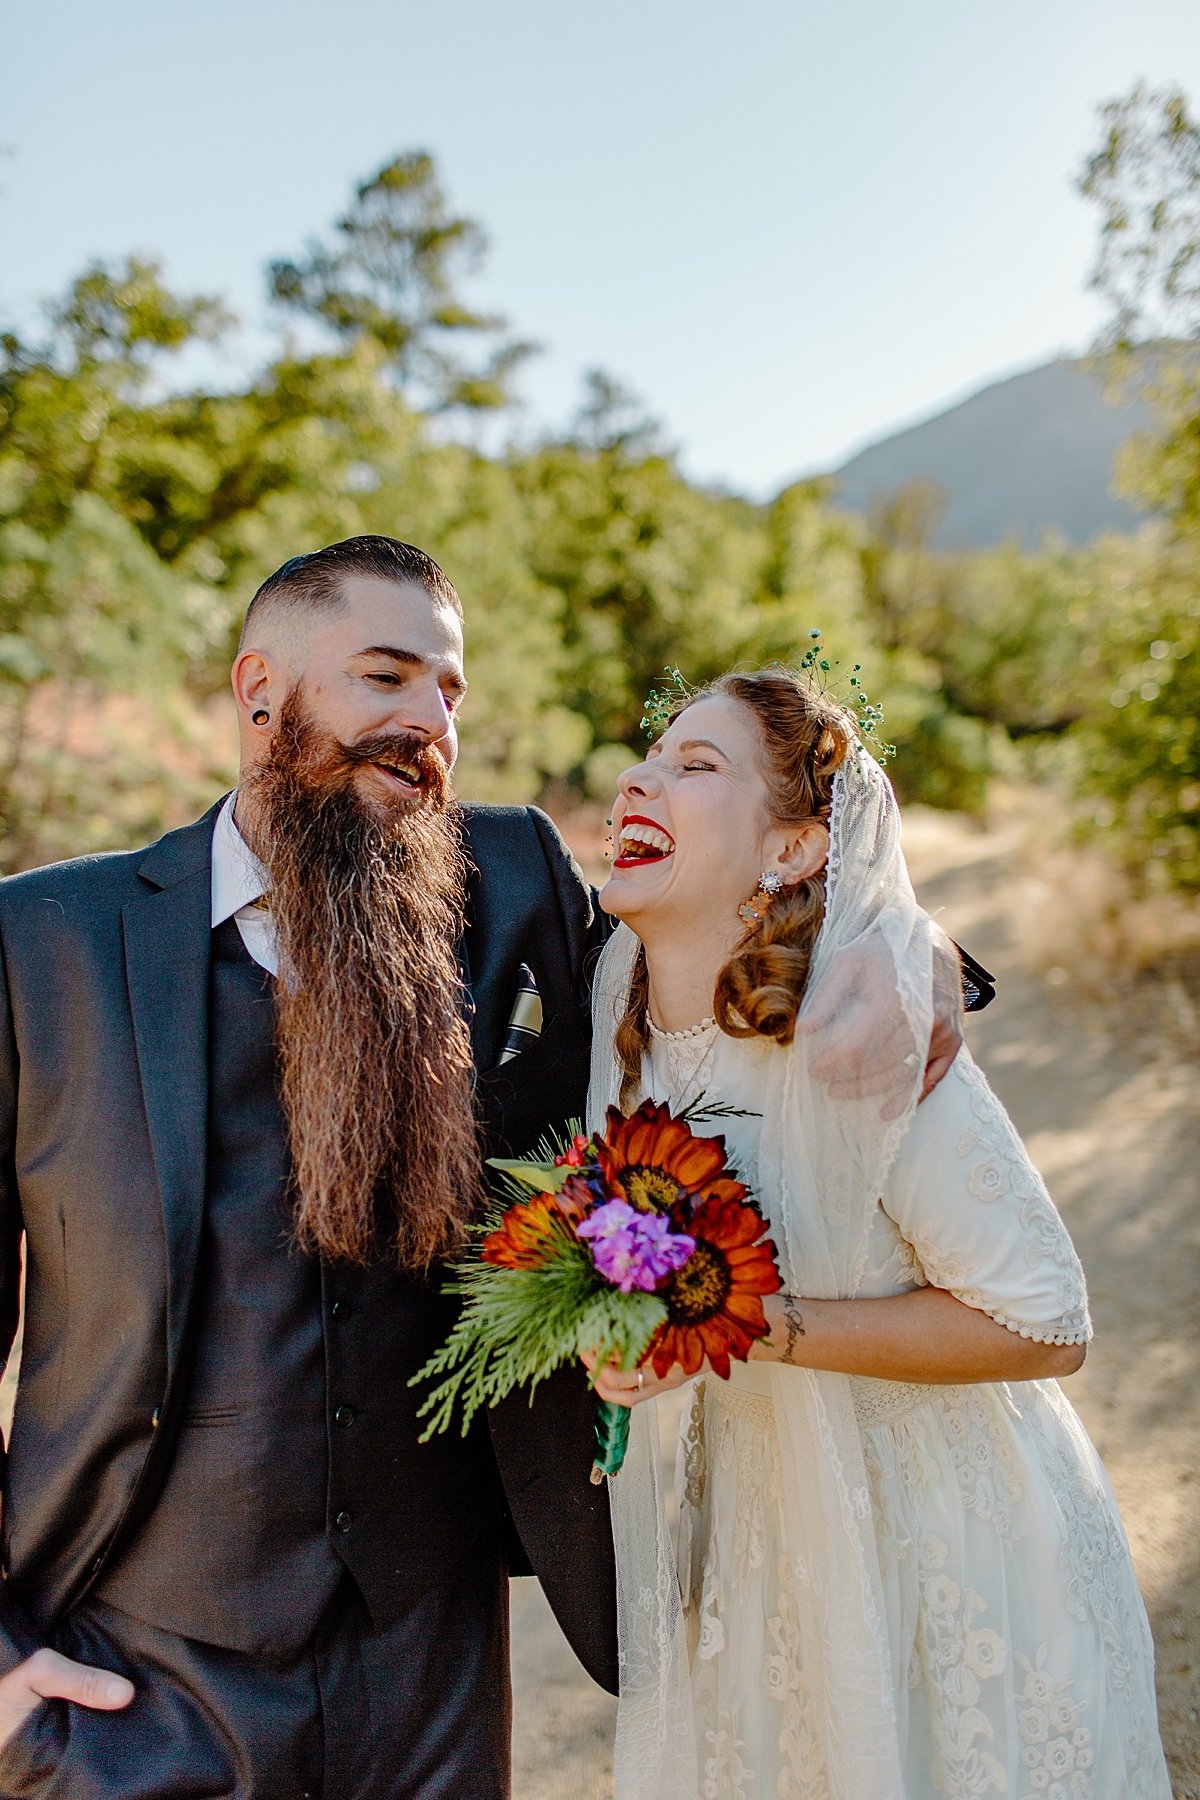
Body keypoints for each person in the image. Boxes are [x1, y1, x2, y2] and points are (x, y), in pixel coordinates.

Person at [0, 536, 620, 1798]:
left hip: (431, 1654)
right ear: (260, 688)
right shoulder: (42, 942)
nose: (427, 723)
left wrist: (912, 954)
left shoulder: (514, 886)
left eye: (449, 693)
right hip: (129, 1665)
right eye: (385, 677)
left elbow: (722, 983)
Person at [584, 670, 1171, 1799]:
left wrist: (745, 1322)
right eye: (651, 756)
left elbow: (1045, 1322)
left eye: (696, 766)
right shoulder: (620, 1018)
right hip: (759, 1556)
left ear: (798, 852)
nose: (637, 778)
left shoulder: (866, 1030)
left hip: (934, 1548)